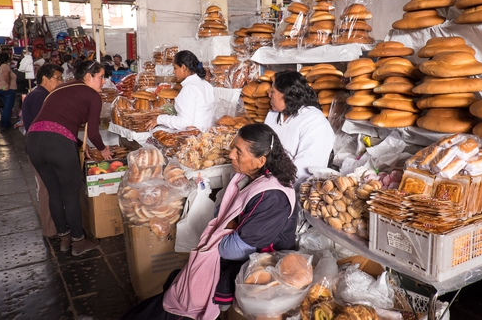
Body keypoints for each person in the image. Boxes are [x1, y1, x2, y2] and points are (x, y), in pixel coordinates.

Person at [121, 123, 297, 320]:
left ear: (260, 161)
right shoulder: (248, 177)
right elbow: (220, 213)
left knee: (182, 300)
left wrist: (220, 233)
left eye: (239, 152)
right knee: (176, 288)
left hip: (256, 262)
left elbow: (232, 249)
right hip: (233, 254)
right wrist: (227, 228)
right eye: (233, 148)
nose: (231, 155)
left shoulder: (272, 197)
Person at [27, 60, 111, 256]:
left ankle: (64, 238)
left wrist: (76, 143)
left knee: (54, 193)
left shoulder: (62, 87)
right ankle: (78, 243)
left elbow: (56, 118)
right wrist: (103, 150)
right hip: (57, 144)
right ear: (89, 76)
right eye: (101, 77)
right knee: (71, 195)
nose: (104, 82)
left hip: (33, 141)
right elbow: (93, 134)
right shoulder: (92, 95)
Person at [265, 71, 335, 186]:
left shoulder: (314, 120)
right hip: (269, 181)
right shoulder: (272, 115)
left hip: (295, 188)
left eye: (273, 91)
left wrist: (274, 184)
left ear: (286, 94)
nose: (269, 95)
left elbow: (306, 168)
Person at [22, 63, 64, 238]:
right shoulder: (42, 97)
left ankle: (54, 224)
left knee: (47, 188)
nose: (60, 82)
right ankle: (50, 229)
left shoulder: (40, 94)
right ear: (45, 79)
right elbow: (47, 125)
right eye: (57, 78)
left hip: (37, 147)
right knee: (47, 190)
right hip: (42, 148)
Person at [145, 50, 215, 131]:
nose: (173, 71)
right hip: (205, 134)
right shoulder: (206, 85)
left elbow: (184, 123)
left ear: (184, 67)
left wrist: (159, 119)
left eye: (175, 68)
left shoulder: (189, 89)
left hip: (192, 137)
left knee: (154, 132)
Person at [0, 52, 17, 129]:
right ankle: (6, 123)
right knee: (8, 107)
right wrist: (7, 85)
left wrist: (1, 82)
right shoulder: (6, 66)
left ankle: (3, 121)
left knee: (6, 106)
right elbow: (6, 75)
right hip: (7, 89)